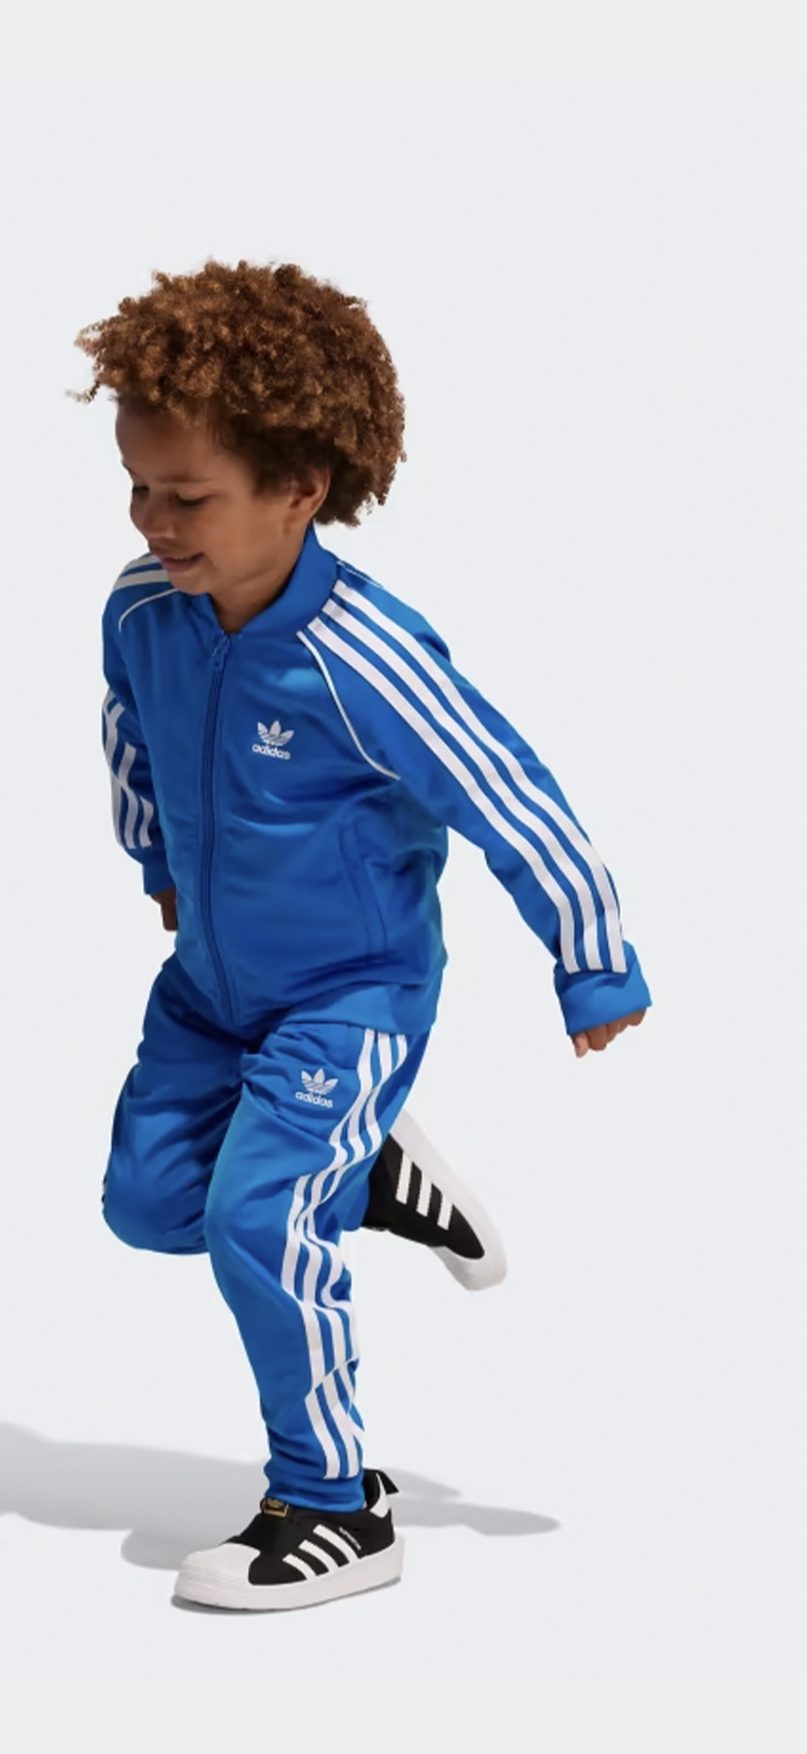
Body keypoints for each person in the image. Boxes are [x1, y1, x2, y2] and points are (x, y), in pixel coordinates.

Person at [82, 260, 648, 1612]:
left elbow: (507, 791)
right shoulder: (143, 608)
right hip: (208, 988)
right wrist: (156, 861)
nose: (154, 521)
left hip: (351, 994)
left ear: (300, 488)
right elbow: (130, 736)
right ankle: (372, 1164)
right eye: (138, 487)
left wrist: (590, 957)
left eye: (188, 496)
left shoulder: (365, 656)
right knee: (149, 1204)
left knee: (258, 1219)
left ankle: (335, 1502)